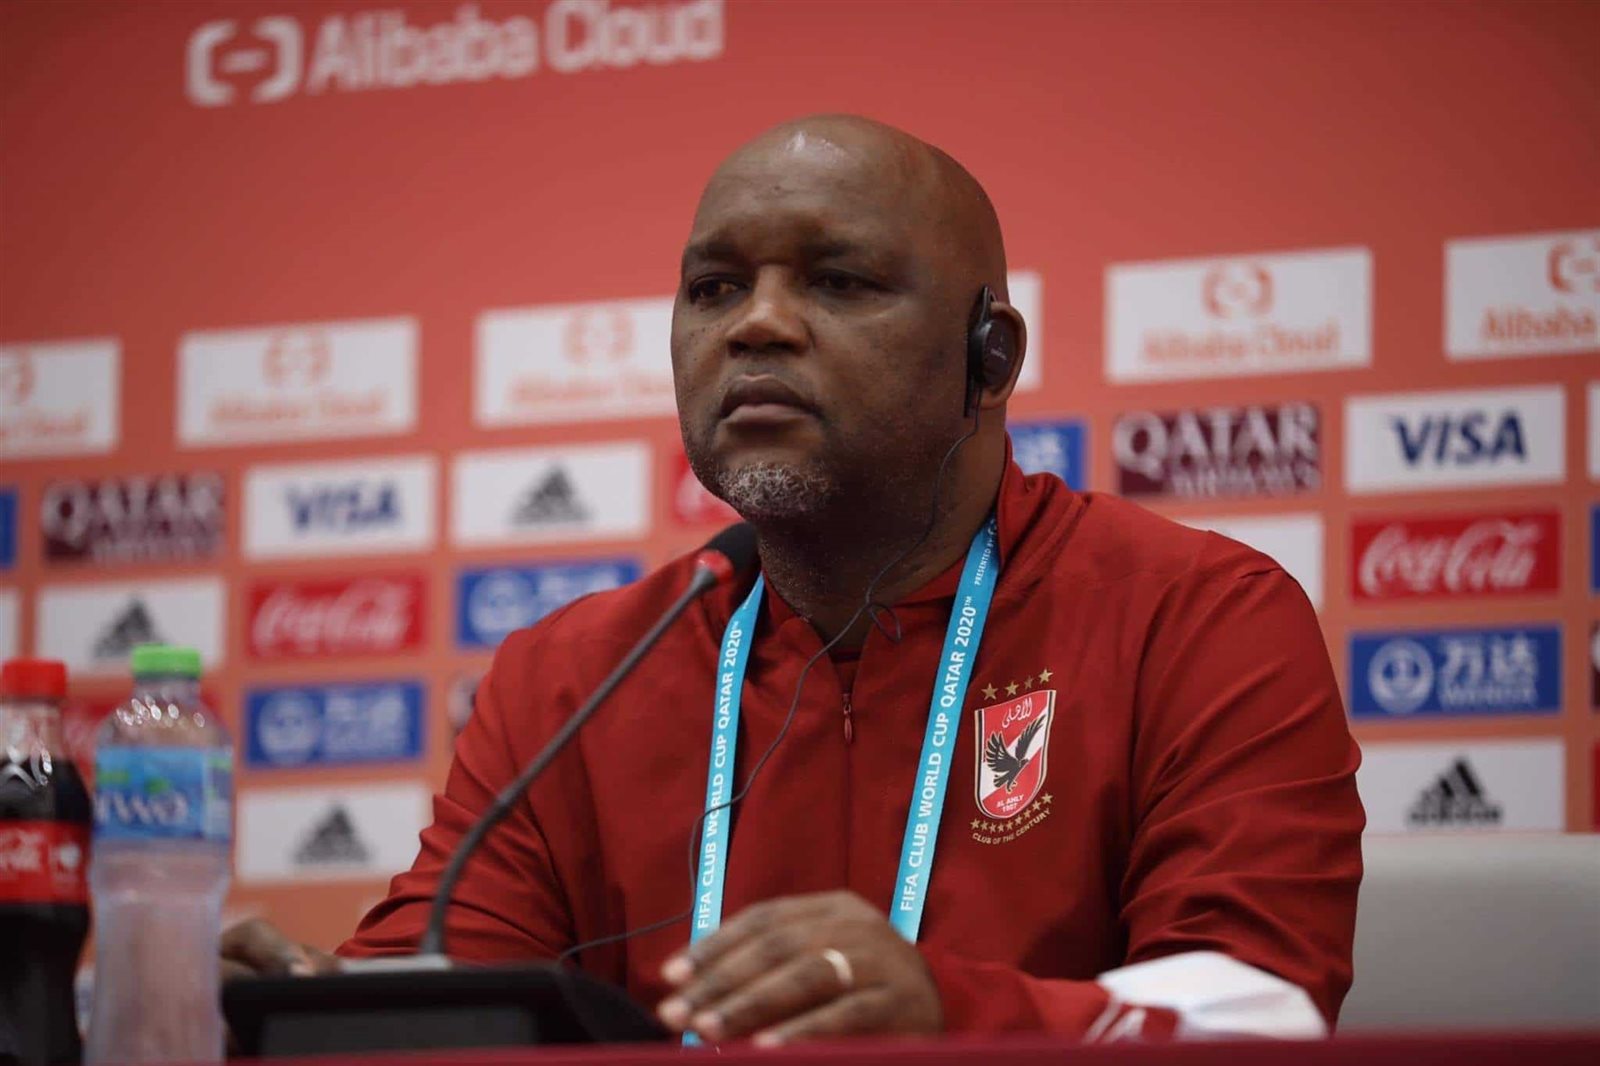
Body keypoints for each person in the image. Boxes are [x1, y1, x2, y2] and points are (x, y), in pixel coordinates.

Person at [222, 115, 1363, 1045]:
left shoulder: (1193, 616)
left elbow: (1259, 1008)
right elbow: (446, 993)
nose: (758, 324)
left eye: (840, 280)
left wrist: (951, 1014)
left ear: (990, 357)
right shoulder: (574, 675)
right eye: (715, 288)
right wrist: (295, 1006)